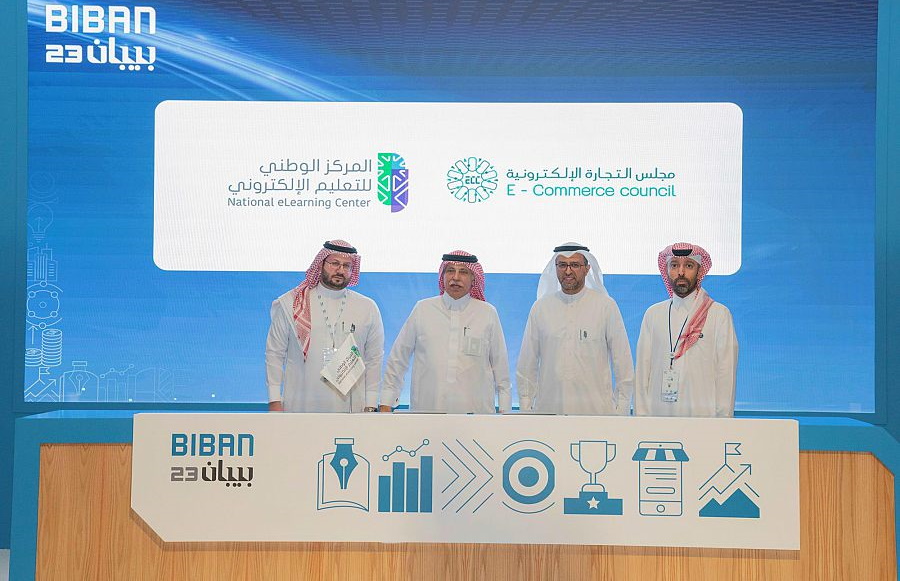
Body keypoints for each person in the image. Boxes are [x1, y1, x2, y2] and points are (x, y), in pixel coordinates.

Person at [381, 251, 512, 413]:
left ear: (473, 278)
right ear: (442, 276)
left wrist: (505, 410)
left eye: (463, 272)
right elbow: (398, 359)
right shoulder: (423, 309)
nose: (455, 277)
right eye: (450, 271)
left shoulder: (487, 313)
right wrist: (386, 402)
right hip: (427, 412)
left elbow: (501, 367)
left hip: (476, 416)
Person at [265, 240, 384, 412]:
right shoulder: (292, 303)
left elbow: (374, 359)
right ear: (321, 264)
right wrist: (274, 400)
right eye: (334, 263)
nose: (340, 270)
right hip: (301, 404)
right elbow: (274, 354)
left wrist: (371, 404)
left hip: (351, 409)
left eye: (346, 266)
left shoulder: (367, 307)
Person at [516, 243, 634, 415]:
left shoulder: (605, 306)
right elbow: (527, 363)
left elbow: (623, 362)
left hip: (597, 414)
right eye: (562, 265)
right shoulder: (541, 308)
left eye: (575, 265)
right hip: (549, 413)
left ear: (587, 269)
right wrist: (526, 408)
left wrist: (621, 410)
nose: (568, 271)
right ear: (555, 268)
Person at [634, 242, 738, 417]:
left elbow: (726, 373)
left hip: (703, 419)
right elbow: (643, 372)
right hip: (658, 419)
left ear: (699, 271)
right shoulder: (653, 314)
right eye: (674, 265)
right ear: (667, 270)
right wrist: (642, 419)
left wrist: (723, 422)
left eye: (688, 266)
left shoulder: (718, 314)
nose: (681, 272)